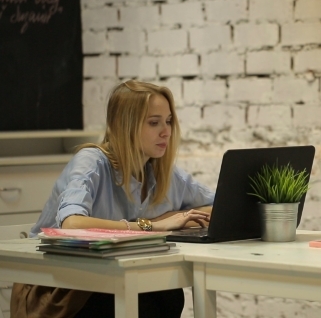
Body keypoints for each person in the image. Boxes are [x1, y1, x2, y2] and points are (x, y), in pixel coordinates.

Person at [11, 80, 215, 318]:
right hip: (59, 288)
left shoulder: (160, 171)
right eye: (154, 122)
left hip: (112, 277)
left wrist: (172, 218)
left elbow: (219, 207)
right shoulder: (92, 162)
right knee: (147, 300)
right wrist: (150, 226)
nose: (166, 131)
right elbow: (72, 224)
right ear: (124, 125)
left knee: (168, 293)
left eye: (168, 121)